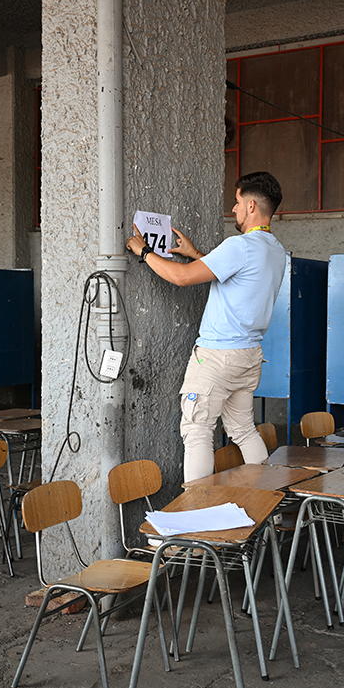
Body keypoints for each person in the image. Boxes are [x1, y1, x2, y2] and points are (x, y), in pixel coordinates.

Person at [126, 171, 287, 482]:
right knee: (242, 429)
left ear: (252, 206)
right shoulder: (274, 250)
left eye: (238, 202)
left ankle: (195, 517)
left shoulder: (239, 245)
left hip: (217, 358)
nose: (234, 209)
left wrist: (143, 252)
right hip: (249, 357)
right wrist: (196, 254)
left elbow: (182, 278)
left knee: (197, 430)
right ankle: (267, 500)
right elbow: (236, 280)